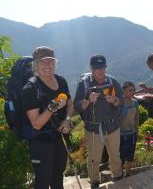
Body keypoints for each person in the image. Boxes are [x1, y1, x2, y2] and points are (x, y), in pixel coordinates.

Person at [22, 46, 73, 189]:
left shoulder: (61, 81)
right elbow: (37, 124)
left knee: (58, 179)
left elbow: (70, 104)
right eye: (42, 62)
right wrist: (52, 108)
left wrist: (67, 119)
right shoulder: (30, 89)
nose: (47, 65)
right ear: (35, 65)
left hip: (59, 140)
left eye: (50, 61)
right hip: (41, 143)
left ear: (55, 63)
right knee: (43, 182)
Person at [73, 54, 123, 188]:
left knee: (115, 156)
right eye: (97, 69)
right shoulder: (84, 84)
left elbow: (121, 102)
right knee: (94, 159)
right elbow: (77, 107)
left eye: (102, 68)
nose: (100, 72)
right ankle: (94, 182)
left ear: (106, 67)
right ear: (91, 69)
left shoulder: (112, 82)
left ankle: (118, 179)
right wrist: (88, 100)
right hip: (93, 129)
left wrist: (115, 100)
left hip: (113, 126)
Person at [119, 81, 139, 177]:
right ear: (123, 91)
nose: (133, 92)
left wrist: (137, 132)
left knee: (130, 155)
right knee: (121, 156)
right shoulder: (119, 103)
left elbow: (136, 119)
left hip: (132, 134)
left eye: (134, 90)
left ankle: (128, 173)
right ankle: (119, 174)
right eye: (130, 90)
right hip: (121, 135)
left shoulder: (135, 103)